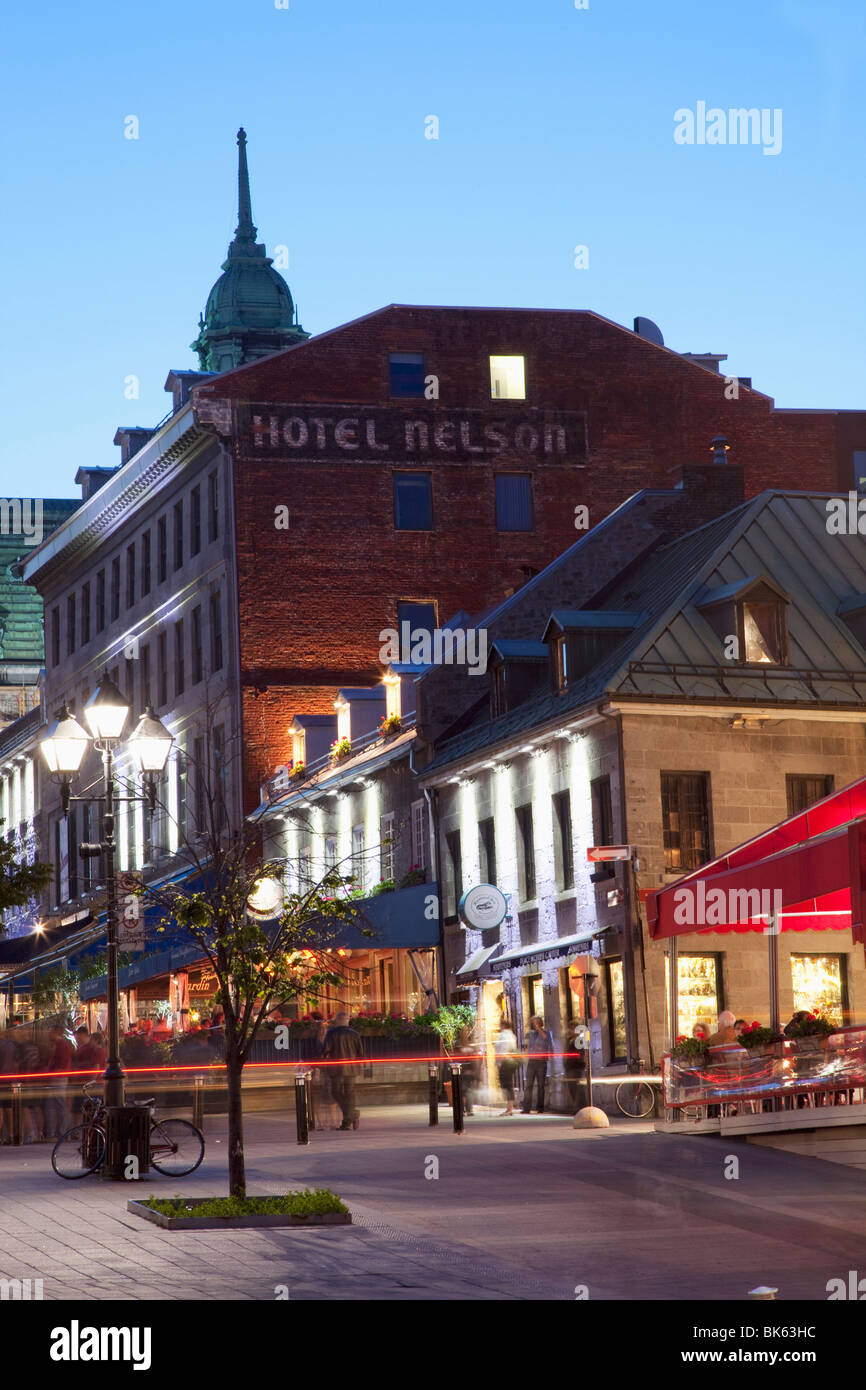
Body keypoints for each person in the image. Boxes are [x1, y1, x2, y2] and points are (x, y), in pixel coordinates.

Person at [322, 1011, 363, 1130]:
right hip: (351, 1068)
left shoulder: (331, 1033)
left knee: (336, 1092)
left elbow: (326, 1050)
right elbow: (360, 1052)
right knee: (349, 1094)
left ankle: (350, 1118)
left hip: (336, 1068)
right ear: (347, 1021)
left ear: (337, 1020)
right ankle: (350, 1117)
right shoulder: (354, 1034)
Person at [44, 1025, 76, 1140]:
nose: (48, 1033)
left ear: (55, 1032)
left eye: (50, 1031)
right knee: (57, 1104)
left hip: (59, 1077)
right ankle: (57, 1131)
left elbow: (61, 1063)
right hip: (59, 1077)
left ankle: (62, 1131)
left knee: (59, 1103)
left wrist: (53, 1073)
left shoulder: (61, 1045)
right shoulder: (60, 1045)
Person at [310, 1019, 339, 1130]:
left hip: (327, 1072)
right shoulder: (315, 1043)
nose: (323, 1031)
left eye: (324, 1028)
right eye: (321, 1029)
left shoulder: (328, 1041)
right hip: (318, 1072)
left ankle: (332, 1122)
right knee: (318, 1098)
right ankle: (322, 1123)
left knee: (330, 1098)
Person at [521, 1015, 553, 1114]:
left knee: (541, 1086)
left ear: (540, 1023)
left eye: (536, 1022)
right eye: (533, 1022)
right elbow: (525, 1041)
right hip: (531, 1062)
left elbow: (547, 1041)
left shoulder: (546, 1033)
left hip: (541, 1062)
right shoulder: (531, 1034)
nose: (535, 1024)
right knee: (529, 1085)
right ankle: (526, 1107)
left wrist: (539, 1029)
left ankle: (540, 1107)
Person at [495, 1016, 519, 1116]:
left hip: (505, 1062)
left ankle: (509, 1108)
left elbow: (502, 1050)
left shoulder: (503, 1036)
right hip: (511, 1062)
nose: (499, 1027)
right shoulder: (512, 1035)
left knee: (506, 1085)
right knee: (509, 1084)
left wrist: (499, 1062)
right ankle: (510, 1107)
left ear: (503, 1025)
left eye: (500, 1025)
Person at [563, 1023, 588, 1114]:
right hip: (570, 1066)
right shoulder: (570, 1040)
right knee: (573, 1089)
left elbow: (581, 1052)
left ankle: (581, 1108)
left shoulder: (579, 1040)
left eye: (571, 1029)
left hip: (577, 1066)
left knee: (578, 1090)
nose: (569, 1031)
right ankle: (577, 1107)